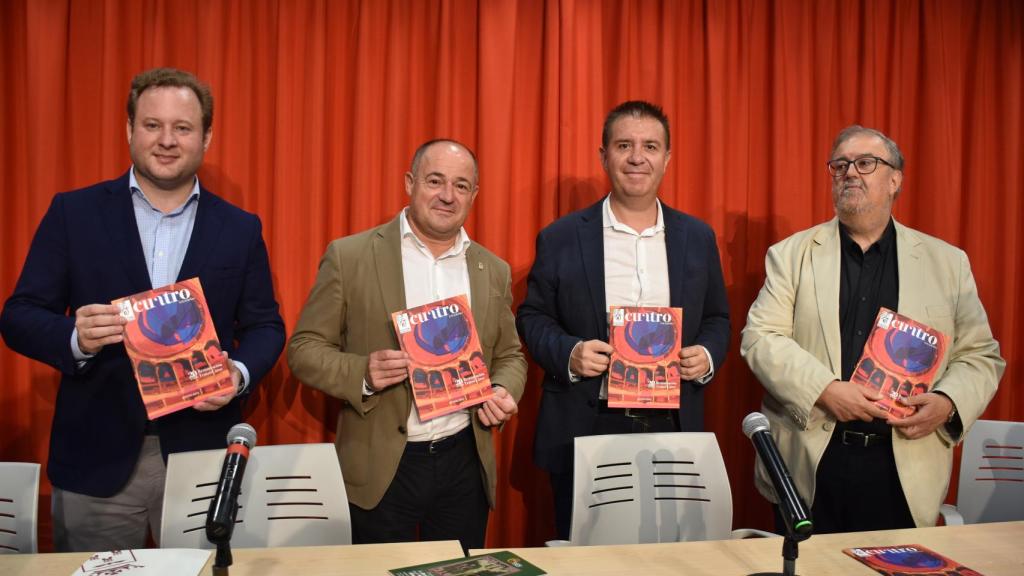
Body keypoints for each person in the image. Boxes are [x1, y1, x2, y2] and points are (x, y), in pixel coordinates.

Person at [0, 68, 285, 551]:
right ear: (129, 130)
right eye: (153, 125)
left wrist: (236, 373)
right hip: (97, 456)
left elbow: (265, 326)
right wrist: (75, 336)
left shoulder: (239, 227)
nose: (167, 140)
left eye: (183, 127)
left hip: (203, 454)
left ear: (206, 137)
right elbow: (19, 315)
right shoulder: (74, 213)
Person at [741, 125, 1005, 533]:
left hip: (903, 464)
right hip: (812, 459)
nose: (850, 173)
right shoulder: (790, 255)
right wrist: (826, 389)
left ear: (895, 179)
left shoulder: (947, 263)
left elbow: (980, 355)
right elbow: (761, 337)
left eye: (865, 163)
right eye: (840, 165)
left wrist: (948, 402)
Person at [287, 139, 526, 552]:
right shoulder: (351, 256)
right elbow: (304, 349)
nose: (448, 196)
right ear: (410, 183)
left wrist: (504, 388)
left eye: (461, 185)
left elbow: (510, 355)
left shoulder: (493, 269)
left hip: (463, 460)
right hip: (381, 465)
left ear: (474, 195)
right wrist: (361, 372)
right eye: (435, 181)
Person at [516, 100, 731, 540]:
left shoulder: (697, 236)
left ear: (667, 158)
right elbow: (532, 316)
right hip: (586, 424)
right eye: (624, 145)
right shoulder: (560, 236)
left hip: (674, 425)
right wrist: (570, 353)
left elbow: (718, 319)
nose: (637, 157)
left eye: (650, 146)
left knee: (673, 560)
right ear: (604, 155)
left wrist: (706, 355)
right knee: (590, 562)